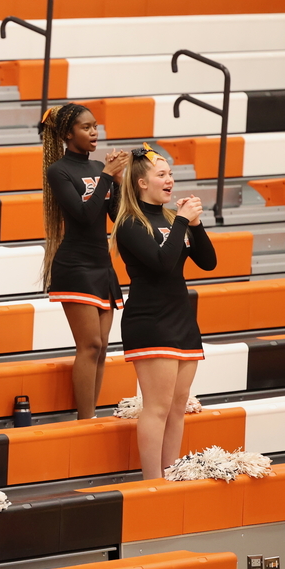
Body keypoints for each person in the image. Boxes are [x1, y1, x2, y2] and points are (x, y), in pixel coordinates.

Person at [111, 144, 216, 480]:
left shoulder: (172, 219)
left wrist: (195, 224)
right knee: (157, 407)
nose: (170, 180)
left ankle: (171, 476)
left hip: (182, 318)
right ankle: (152, 483)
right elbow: (161, 263)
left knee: (177, 406)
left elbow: (209, 262)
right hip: (150, 320)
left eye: (170, 173)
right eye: (162, 174)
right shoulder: (130, 223)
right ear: (142, 183)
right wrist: (183, 221)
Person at [41, 103, 129, 420]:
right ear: (68, 133)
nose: (94, 132)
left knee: (102, 347)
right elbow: (82, 215)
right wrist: (106, 175)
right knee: (89, 345)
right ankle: (85, 418)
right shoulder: (59, 171)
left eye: (95, 126)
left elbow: (115, 216)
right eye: (86, 127)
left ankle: (90, 417)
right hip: (75, 265)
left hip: (102, 265)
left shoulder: (97, 168)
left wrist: (118, 180)